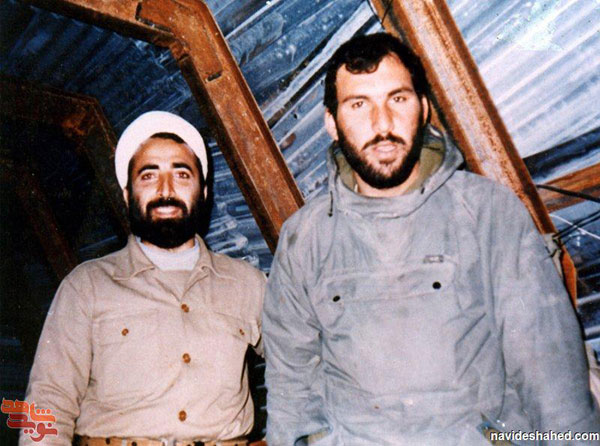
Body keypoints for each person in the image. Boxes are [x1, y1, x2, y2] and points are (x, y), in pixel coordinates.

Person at [262, 33, 600, 445]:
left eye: (398, 99)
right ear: (332, 123)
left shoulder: (489, 213)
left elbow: (550, 373)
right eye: (358, 105)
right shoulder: (304, 238)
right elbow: (290, 391)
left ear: (423, 109)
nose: (382, 124)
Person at [20, 111, 265, 446]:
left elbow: (305, 361)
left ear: (204, 191)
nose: (166, 190)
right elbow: (46, 404)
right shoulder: (86, 287)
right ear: (127, 194)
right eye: (149, 176)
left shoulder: (248, 284)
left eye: (181, 174)